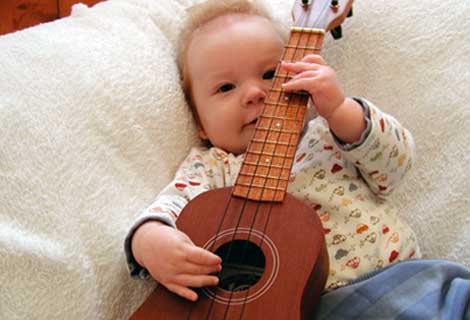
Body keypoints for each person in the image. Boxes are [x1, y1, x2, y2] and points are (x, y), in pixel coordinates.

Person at [124, 0, 420, 302]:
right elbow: (167, 208)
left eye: (270, 74)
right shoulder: (211, 168)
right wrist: (149, 243)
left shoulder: (330, 133)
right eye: (226, 88)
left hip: (397, 283)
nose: (254, 93)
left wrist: (341, 109)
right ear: (199, 122)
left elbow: (396, 167)